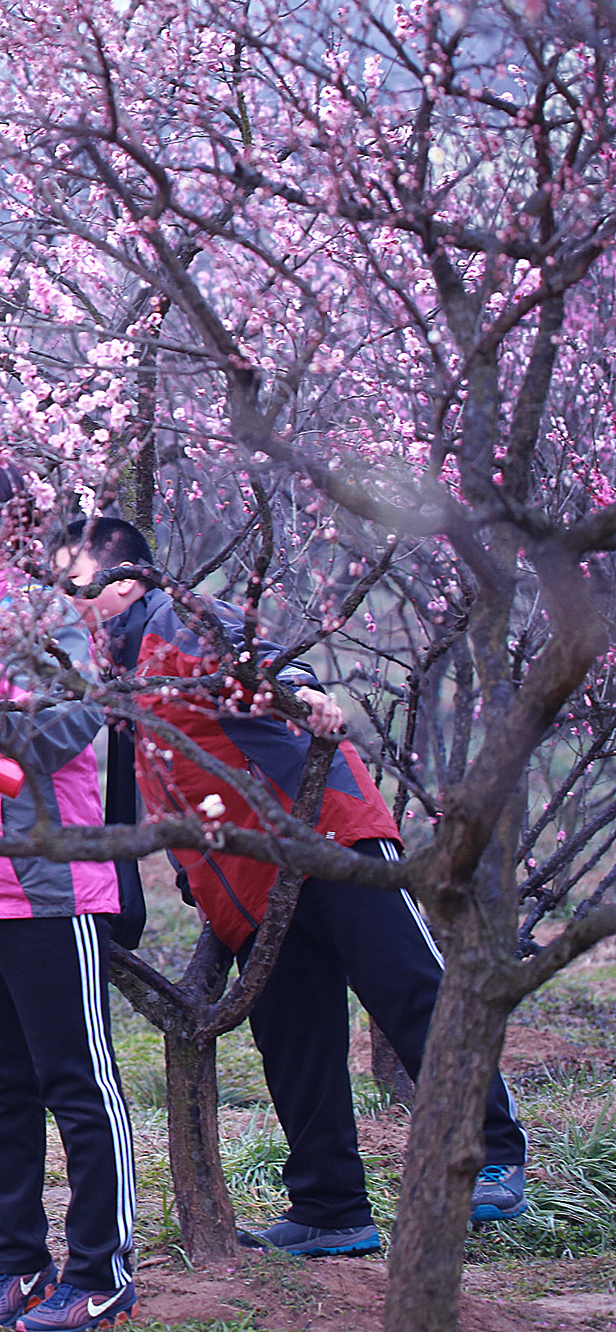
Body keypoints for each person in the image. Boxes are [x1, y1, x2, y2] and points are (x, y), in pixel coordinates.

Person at [57, 515, 529, 1252]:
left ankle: (493, 1152)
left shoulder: (179, 620)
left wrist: (296, 690)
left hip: (321, 833)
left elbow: (262, 666)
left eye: (75, 580)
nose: (66, 597)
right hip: (244, 877)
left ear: (126, 581)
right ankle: (329, 1208)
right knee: (294, 1040)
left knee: (407, 990)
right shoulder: (109, 671)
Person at [0, 462, 136, 1332]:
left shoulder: (53, 618)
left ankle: (101, 1271)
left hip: (45, 888)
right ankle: (17, 1263)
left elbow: (72, 725)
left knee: (78, 1085)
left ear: (6, 532)